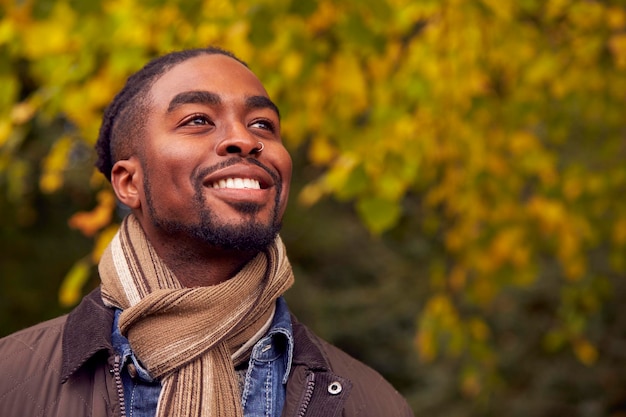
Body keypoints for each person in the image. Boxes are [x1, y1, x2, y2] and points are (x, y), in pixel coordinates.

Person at [0, 47, 413, 417]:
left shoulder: (373, 403)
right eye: (198, 120)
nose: (244, 139)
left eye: (263, 125)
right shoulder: (11, 381)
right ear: (129, 183)